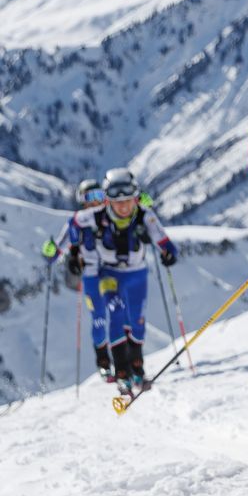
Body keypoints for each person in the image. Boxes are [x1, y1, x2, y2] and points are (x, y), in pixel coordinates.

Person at [74, 168, 179, 393]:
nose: (122, 206)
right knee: (113, 314)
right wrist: (71, 255)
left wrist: (168, 253)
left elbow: (165, 241)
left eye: (127, 200)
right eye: (116, 201)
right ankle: (119, 370)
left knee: (137, 322)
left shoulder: (143, 215)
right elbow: (73, 232)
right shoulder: (94, 218)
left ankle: (137, 367)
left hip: (136, 274)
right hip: (107, 274)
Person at [41, 178, 116, 380]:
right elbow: (58, 248)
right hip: (91, 276)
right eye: (90, 197)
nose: (96, 201)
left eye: (100, 195)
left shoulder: (112, 215)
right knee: (99, 319)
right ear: (82, 200)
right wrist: (50, 252)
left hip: (114, 273)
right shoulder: (76, 223)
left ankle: (125, 360)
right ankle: (104, 362)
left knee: (121, 314)